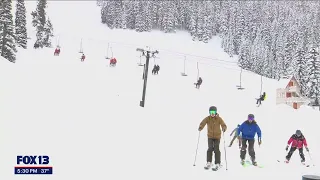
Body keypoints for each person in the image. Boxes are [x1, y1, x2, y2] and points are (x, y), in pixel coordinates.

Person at [198, 106, 227, 170]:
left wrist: (224, 128)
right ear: (209, 112)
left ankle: (217, 163)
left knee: (216, 149)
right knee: (210, 148)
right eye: (211, 112)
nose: (212, 113)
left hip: (217, 137)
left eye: (213, 112)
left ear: (216, 112)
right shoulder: (208, 118)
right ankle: (209, 162)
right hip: (210, 136)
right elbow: (203, 123)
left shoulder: (219, 118)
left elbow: (223, 124)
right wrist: (200, 127)